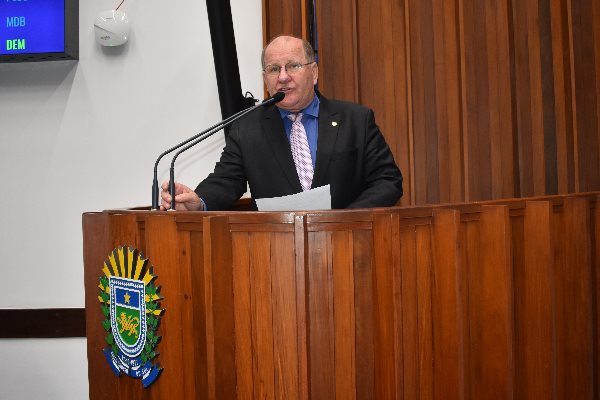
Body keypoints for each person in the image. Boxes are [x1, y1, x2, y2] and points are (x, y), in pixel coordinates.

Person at [161, 35, 402, 211]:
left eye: (293, 66)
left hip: (349, 245)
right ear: (265, 79)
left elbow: (387, 181)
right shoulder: (247, 128)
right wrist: (198, 201)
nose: (283, 77)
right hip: (277, 250)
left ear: (313, 73)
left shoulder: (356, 120)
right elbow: (226, 179)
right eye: (274, 69)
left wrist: (347, 219)